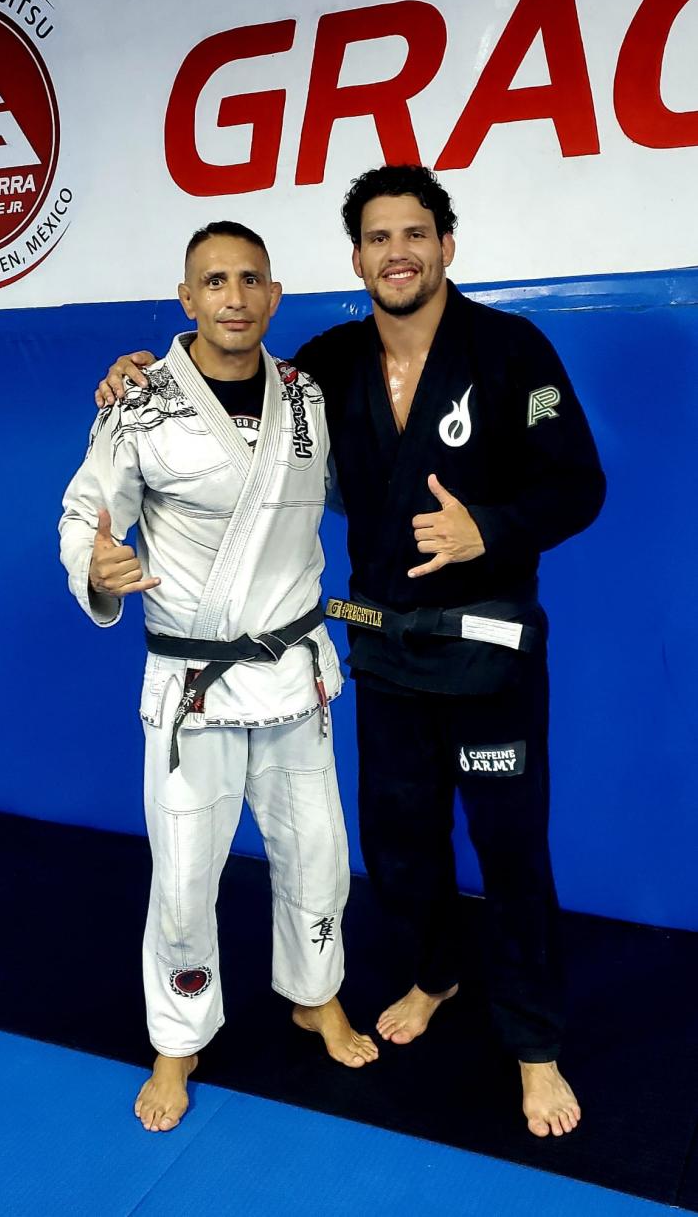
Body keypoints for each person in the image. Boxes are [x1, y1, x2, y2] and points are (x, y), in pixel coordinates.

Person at [96, 166, 606, 1138]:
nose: (396, 253)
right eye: (377, 238)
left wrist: (490, 528)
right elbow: (231, 384)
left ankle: (534, 1043)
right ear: (357, 258)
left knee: (509, 845)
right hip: (384, 647)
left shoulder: (510, 348)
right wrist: (143, 377)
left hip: (487, 645)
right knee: (400, 842)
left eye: (414, 234)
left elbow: (578, 483)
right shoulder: (326, 364)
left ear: (446, 245)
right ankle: (435, 973)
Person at [60, 221, 378, 1134]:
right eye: (213, 281)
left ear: (274, 296)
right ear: (187, 297)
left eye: (249, 279)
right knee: (185, 872)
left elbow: (352, 488)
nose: (233, 297)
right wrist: (96, 565)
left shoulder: (307, 397)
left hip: (293, 673)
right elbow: (86, 511)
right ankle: (178, 1037)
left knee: (318, 853)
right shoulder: (139, 403)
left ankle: (316, 995)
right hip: (193, 686)